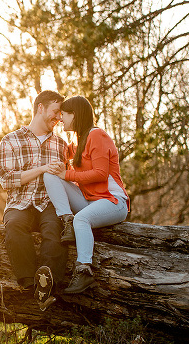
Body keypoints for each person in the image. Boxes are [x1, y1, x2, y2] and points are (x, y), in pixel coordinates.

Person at [43, 95, 129, 293]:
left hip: (113, 201)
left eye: (63, 114)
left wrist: (67, 173)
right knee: (50, 176)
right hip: (90, 201)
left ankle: (84, 270)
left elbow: (100, 173)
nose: (60, 119)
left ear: (75, 114)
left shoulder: (96, 135)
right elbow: (64, 155)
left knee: (81, 219)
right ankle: (67, 221)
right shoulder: (79, 141)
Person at [0, 90, 68, 310]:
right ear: (40, 108)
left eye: (60, 115)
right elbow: (6, 181)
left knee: (55, 231)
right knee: (15, 226)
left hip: (48, 203)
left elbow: (67, 178)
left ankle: (48, 285)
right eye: (55, 112)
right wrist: (42, 169)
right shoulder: (10, 140)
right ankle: (28, 283)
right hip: (20, 202)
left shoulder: (61, 145)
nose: (58, 118)